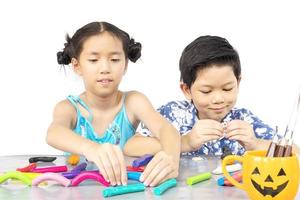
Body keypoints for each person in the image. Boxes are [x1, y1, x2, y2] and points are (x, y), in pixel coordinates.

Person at [46, 21, 180, 187]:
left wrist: (171, 159)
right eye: (94, 60)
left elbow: (166, 129)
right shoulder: (69, 108)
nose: (105, 68)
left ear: (125, 65)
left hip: (127, 189)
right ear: (77, 66)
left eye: (115, 59)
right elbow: (54, 133)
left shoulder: (133, 101)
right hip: (79, 191)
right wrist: (92, 148)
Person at [125, 35, 275, 157]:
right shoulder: (173, 115)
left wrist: (255, 144)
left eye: (227, 88)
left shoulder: (244, 120)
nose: (218, 99)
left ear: (238, 82)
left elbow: (294, 152)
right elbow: (131, 146)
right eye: (206, 91)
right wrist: (185, 142)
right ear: (187, 89)